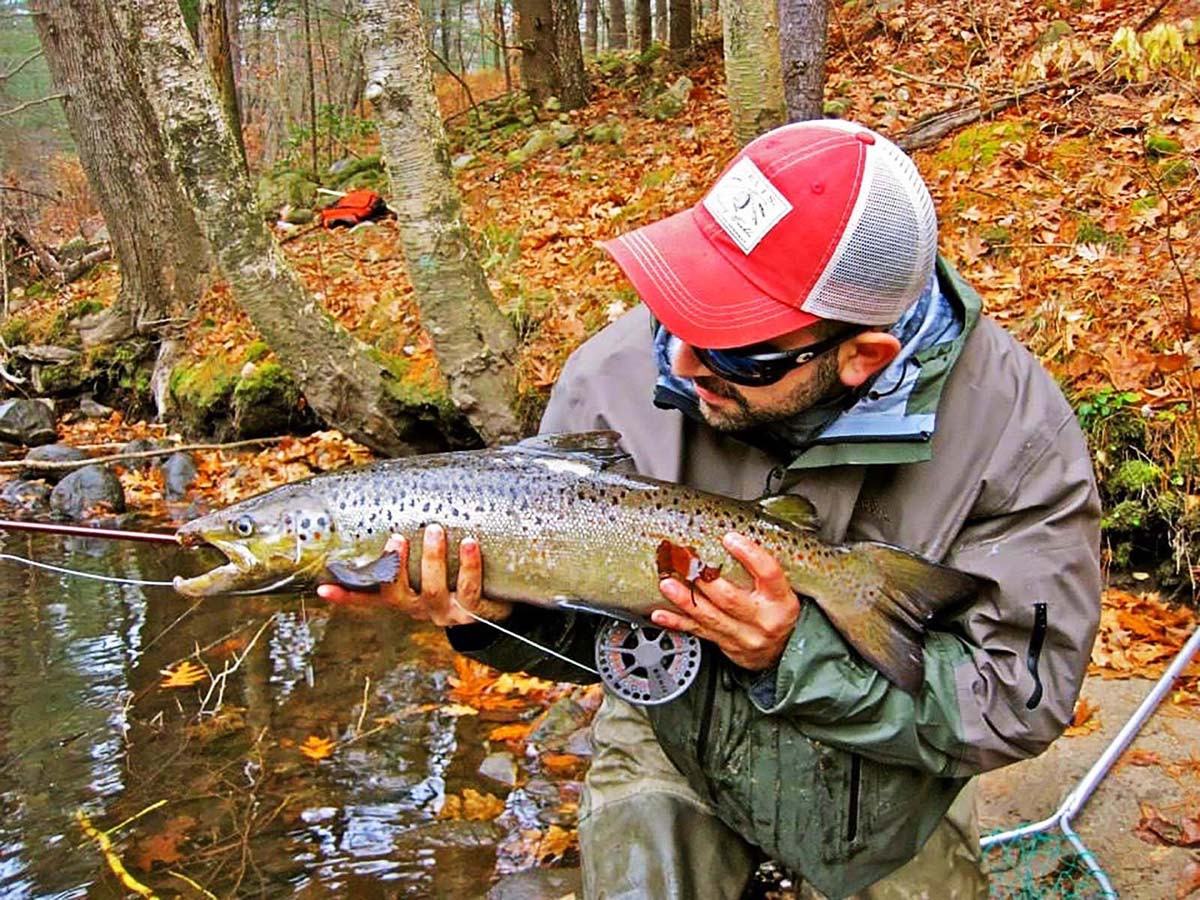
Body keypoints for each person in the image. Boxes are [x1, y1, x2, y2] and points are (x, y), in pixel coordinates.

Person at [319, 120, 1101, 899]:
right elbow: (589, 647)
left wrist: (797, 655)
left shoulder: (1015, 437)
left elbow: (1012, 705)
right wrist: (492, 612)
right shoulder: (610, 381)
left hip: (887, 778)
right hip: (669, 728)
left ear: (864, 357)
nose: (683, 361)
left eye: (735, 347)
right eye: (679, 307)